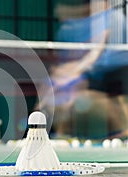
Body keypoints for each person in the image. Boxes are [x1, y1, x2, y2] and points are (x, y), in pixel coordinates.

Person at [39, 0, 128, 139]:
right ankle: (55, 133)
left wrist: (75, 70)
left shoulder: (114, 17)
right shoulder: (72, 27)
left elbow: (97, 50)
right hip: (100, 69)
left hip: (117, 66)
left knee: (118, 102)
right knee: (59, 92)